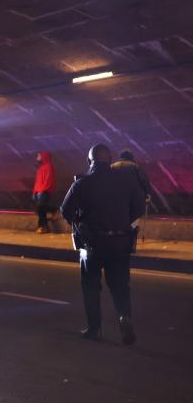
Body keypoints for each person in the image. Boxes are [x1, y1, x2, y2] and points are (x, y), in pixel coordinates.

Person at [60, 144, 145, 345]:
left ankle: (94, 327)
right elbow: (139, 207)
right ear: (110, 159)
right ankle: (124, 318)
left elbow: (65, 211)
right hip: (120, 241)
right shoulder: (126, 180)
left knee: (90, 286)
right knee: (120, 286)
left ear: (90, 161)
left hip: (92, 244)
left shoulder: (81, 183)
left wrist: (80, 222)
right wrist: (123, 222)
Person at [32, 151, 55, 234]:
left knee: (41, 209)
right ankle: (53, 210)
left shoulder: (49, 167)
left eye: (38, 156)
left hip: (44, 191)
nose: (37, 158)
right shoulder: (41, 168)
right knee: (41, 209)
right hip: (39, 191)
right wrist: (35, 191)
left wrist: (43, 190)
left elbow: (48, 180)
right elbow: (37, 181)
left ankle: (41, 227)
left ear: (43, 157)